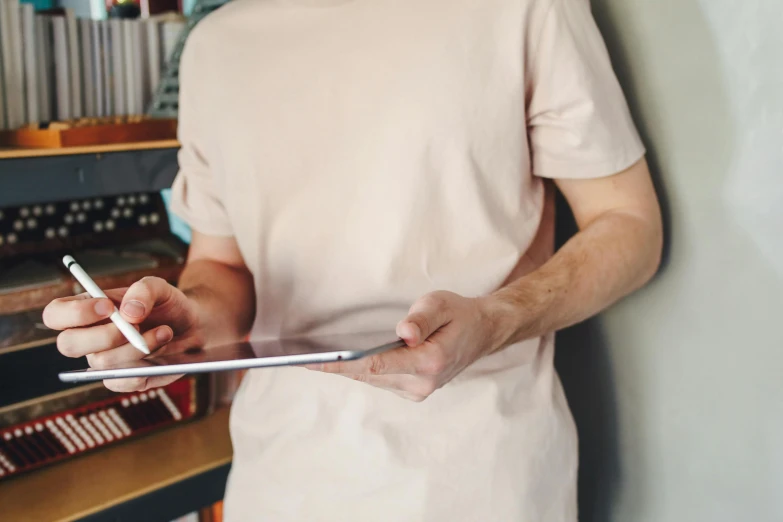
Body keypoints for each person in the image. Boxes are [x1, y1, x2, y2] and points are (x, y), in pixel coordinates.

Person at [43, 0, 663, 520]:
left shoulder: (522, 7)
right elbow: (222, 269)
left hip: (478, 482)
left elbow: (630, 226)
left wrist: (495, 319)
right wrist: (185, 324)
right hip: (277, 482)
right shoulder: (216, 47)